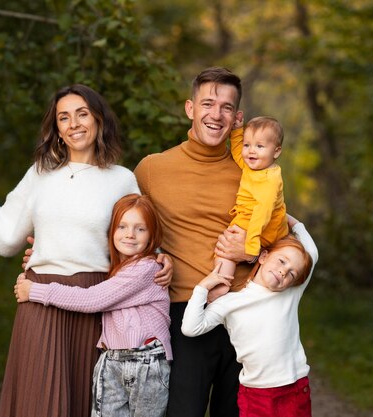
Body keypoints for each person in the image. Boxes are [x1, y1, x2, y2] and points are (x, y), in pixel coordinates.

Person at [0, 84, 172, 417]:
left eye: (82, 114)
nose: (74, 123)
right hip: (38, 298)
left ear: (98, 120)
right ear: (58, 130)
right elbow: (5, 232)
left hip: (95, 300)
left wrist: (163, 258)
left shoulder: (121, 179)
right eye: (64, 118)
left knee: (85, 402)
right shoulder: (40, 175)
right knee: (39, 401)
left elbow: (139, 236)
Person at [133, 67, 255, 417]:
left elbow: (279, 237)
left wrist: (253, 249)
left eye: (227, 107)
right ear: (190, 108)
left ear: (238, 117)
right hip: (186, 313)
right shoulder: (152, 169)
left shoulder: (253, 171)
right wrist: (50, 246)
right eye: (208, 104)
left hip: (245, 314)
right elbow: (121, 230)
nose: (216, 115)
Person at [13, 193, 171, 417]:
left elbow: (92, 299)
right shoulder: (117, 268)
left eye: (140, 229)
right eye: (122, 226)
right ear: (111, 231)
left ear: (151, 235)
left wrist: (35, 291)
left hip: (144, 362)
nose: (130, 235)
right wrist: (43, 257)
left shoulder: (146, 269)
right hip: (111, 360)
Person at [182, 216, 318, 417]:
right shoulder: (230, 302)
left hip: (293, 388)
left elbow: (312, 252)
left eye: (291, 273)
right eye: (281, 261)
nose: (283, 271)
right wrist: (203, 287)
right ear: (263, 256)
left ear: (294, 282)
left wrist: (293, 222)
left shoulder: (289, 293)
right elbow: (190, 328)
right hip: (255, 393)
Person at [214, 116, 289, 279]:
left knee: (225, 248)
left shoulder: (270, 180)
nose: (251, 151)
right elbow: (238, 154)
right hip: (252, 219)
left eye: (260, 146)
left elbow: (263, 213)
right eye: (247, 145)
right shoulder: (253, 166)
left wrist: (251, 243)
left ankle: (220, 282)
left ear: (276, 151)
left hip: (262, 226)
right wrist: (237, 131)